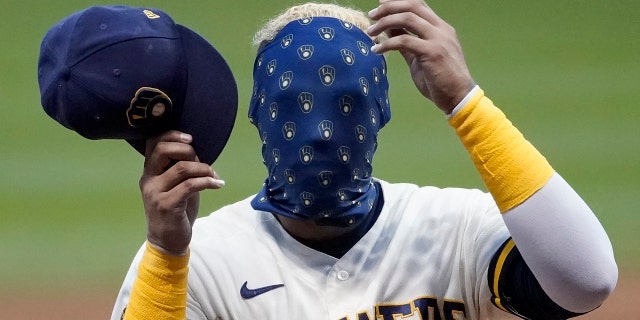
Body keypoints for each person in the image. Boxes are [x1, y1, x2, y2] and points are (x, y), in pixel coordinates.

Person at [112, 1, 618, 319]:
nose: (321, 132)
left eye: (348, 105)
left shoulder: (453, 229)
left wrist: (465, 103)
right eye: (294, 106)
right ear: (259, 116)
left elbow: (585, 282)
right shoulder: (199, 261)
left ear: (380, 114)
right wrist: (167, 253)